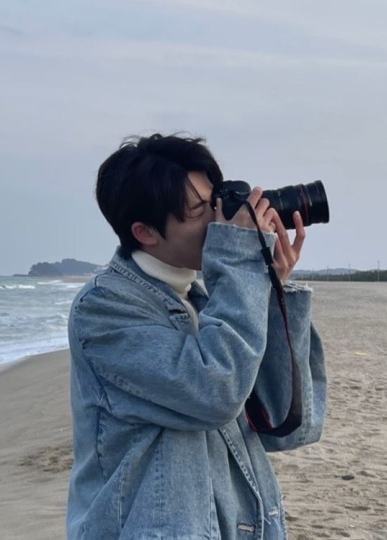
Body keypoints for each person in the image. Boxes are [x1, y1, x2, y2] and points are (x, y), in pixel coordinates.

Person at [66, 133, 327, 539]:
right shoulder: (104, 311)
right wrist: (238, 262)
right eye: (200, 211)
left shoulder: (205, 300)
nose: (222, 219)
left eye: (217, 201)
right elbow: (217, 392)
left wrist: (269, 288)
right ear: (145, 232)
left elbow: (289, 425)